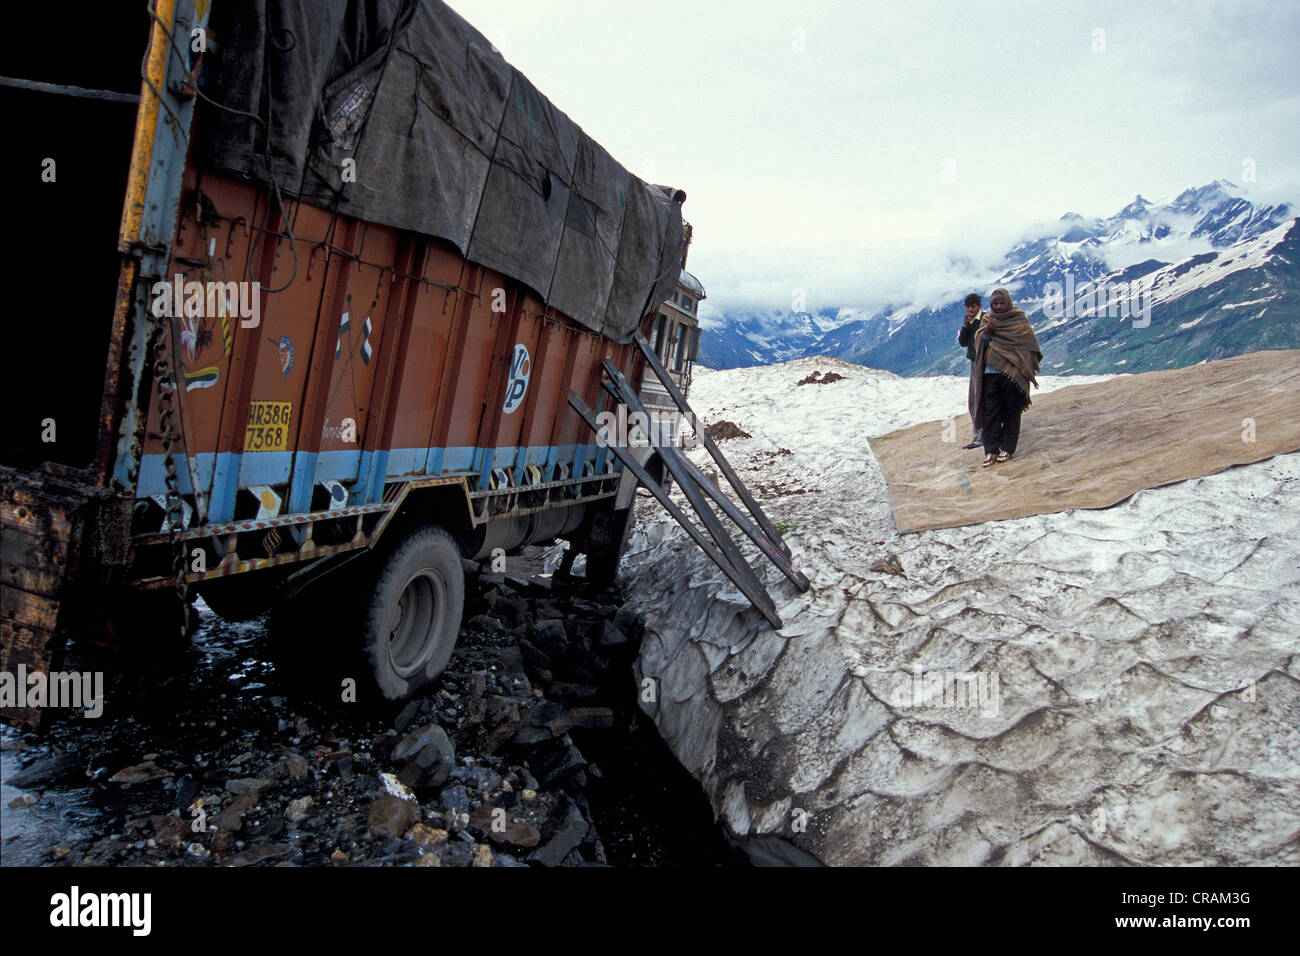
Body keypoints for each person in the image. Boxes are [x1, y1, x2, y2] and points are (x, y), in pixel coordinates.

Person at [971, 287, 1042, 467]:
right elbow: (979, 344)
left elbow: (1029, 344)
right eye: (995, 303)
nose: (999, 306)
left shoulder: (1018, 319)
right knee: (991, 413)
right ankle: (991, 451)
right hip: (991, 374)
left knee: (1012, 411)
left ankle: (1007, 448)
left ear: (1008, 302)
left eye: (1002, 303)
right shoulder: (987, 320)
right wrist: (987, 332)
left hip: (1013, 374)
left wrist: (1025, 367)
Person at [956, 293, 985, 448]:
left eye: (973, 306)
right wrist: (965, 326)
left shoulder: (984, 319)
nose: (970, 309)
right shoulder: (970, 322)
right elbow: (962, 342)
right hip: (974, 362)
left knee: (980, 398)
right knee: (974, 399)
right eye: (968, 306)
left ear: (979, 306)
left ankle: (983, 435)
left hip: (984, 363)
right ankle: (978, 433)